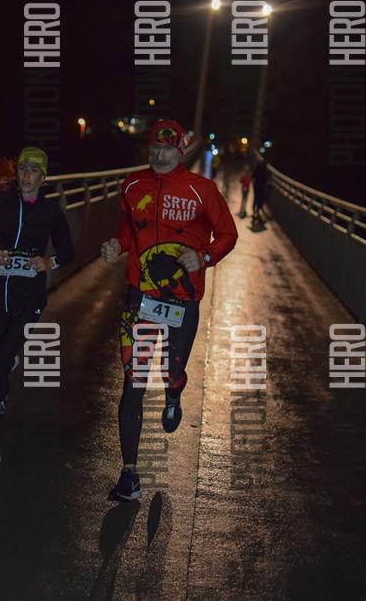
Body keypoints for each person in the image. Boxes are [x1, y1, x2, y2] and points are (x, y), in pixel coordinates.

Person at [101, 119, 238, 500]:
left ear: (180, 150)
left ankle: (174, 390)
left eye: (166, 148)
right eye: (154, 148)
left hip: (182, 300)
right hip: (140, 299)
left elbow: (228, 234)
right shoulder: (132, 185)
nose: (159, 155)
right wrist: (117, 245)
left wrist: (204, 256)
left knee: (171, 371)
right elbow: (129, 229)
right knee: (133, 382)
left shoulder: (201, 189)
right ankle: (129, 474)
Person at [0, 147, 74, 465]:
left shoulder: (50, 212)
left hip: (29, 300)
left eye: (33, 171)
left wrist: (47, 262)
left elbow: (67, 251)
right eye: (23, 169)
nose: (27, 176)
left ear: (43, 177)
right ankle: (7, 359)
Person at [252, 156, 269, 224]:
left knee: (257, 198)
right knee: (259, 198)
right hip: (260, 186)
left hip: (257, 186)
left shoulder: (258, 167)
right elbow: (266, 178)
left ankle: (255, 211)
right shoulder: (264, 168)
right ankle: (257, 210)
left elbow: (253, 175)